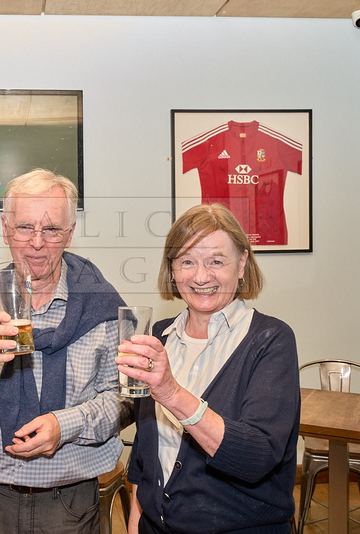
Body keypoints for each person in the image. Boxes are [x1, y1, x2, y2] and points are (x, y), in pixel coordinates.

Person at [0, 169, 133, 534]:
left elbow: (127, 401)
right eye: (25, 227)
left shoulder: (102, 305)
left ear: (70, 233)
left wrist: (66, 425)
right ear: (5, 228)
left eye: (51, 230)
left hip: (70, 500)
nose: (37, 243)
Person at [119, 203, 300, 534]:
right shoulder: (158, 335)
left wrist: (172, 393)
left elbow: (256, 458)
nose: (200, 277)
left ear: (242, 263)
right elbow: (146, 454)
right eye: (187, 261)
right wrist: (135, 525)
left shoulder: (271, 341)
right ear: (172, 269)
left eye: (216, 261)